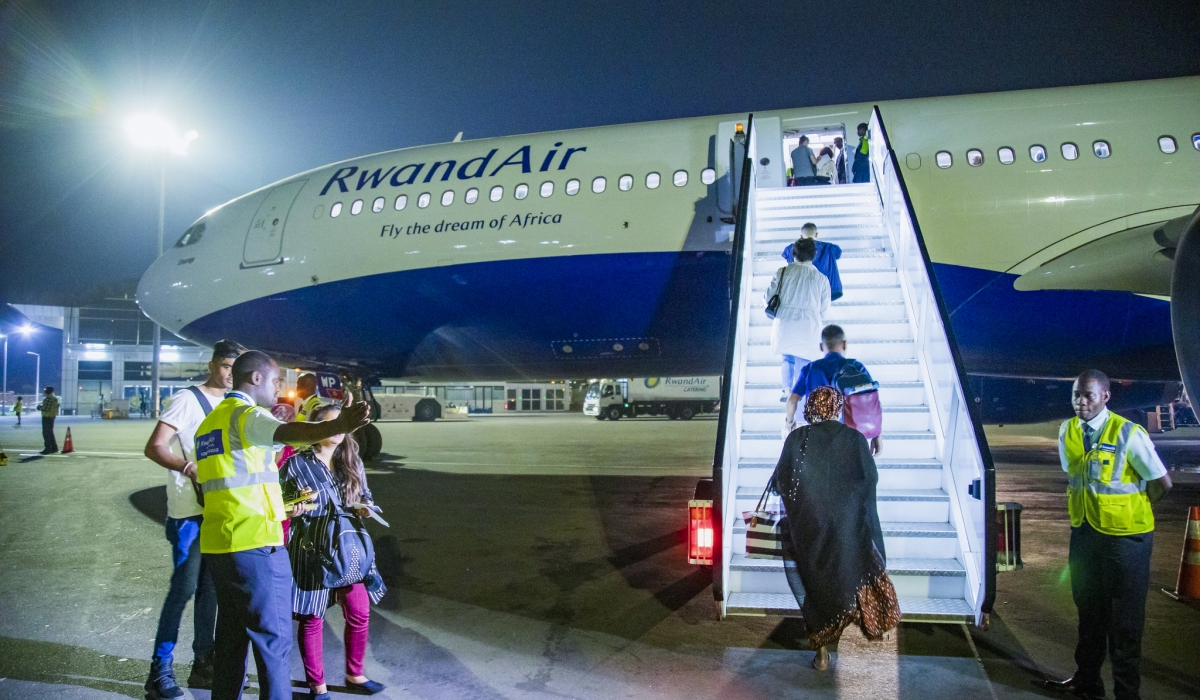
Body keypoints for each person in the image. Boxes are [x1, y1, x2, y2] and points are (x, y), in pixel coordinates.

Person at [194, 350, 371, 700]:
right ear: (255, 379)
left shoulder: (209, 425)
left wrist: (282, 505)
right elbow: (291, 431)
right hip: (257, 546)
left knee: (231, 642)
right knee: (274, 644)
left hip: (220, 545)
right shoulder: (246, 415)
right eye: (276, 381)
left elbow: (224, 486)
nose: (279, 390)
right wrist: (340, 425)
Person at [1039, 370, 1172, 700]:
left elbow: (1162, 484)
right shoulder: (1067, 430)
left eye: (1088, 395)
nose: (1080, 402)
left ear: (1105, 397)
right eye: (1076, 395)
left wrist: (1128, 512)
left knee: (1125, 624)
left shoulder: (1129, 433)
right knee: (1088, 614)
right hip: (1085, 534)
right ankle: (1087, 683)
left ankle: (1127, 693)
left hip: (1126, 541)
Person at [141, 339, 244, 699]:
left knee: (210, 593)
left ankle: (203, 665)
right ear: (212, 364)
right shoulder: (189, 399)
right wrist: (187, 466)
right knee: (183, 590)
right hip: (188, 512)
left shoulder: (235, 404)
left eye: (236, 367)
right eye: (226, 365)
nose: (231, 374)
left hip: (219, 512)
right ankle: (159, 670)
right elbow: (154, 446)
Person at [772, 387, 900, 670]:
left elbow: (782, 483)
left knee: (816, 588)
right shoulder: (854, 439)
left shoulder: (798, 438)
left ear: (811, 409)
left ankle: (821, 654)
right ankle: (853, 638)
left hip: (810, 531)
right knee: (847, 580)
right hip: (847, 528)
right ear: (837, 408)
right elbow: (868, 481)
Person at [282, 403, 387, 699]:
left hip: (348, 549)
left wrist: (366, 508)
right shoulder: (297, 463)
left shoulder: (352, 460)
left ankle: (355, 674)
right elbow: (282, 503)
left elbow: (366, 495)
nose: (339, 429)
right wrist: (296, 507)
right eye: (332, 423)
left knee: (359, 611)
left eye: (342, 423)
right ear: (317, 428)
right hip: (312, 548)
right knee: (312, 618)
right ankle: (318, 686)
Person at [784, 325, 883, 455]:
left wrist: (789, 424)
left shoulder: (811, 369)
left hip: (818, 437)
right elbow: (871, 400)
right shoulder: (856, 367)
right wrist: (877, 434)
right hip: (849, 435)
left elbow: (792, 401)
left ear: (821, 346)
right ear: (844, 344)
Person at [766, 238, 830, 401]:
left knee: (787, 358)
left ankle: (786, 389)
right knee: (804, 360)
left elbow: (769, 297)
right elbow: (824, 308)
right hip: (809, 323)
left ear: (794, 253)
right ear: (813, 255)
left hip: (785, 320)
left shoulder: (782, 272)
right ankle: (799, 396)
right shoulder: (821, 278)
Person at [781, 222, 843, 301]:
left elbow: (785, 255)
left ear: (801, 236)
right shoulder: (829, 248)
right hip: (827, 290)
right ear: (816, 234)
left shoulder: (791, 248)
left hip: (800, 290)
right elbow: (838, 253)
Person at [37, 386, 59, 454]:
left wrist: (39, 408)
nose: (45, 391)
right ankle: (54, 447)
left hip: (47, 416)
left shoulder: (49, 398)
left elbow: (46, 408)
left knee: (46, 433)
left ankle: (48, 448)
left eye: (46, 390)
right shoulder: (54, 398)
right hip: (52, 416)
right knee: (50, 433)